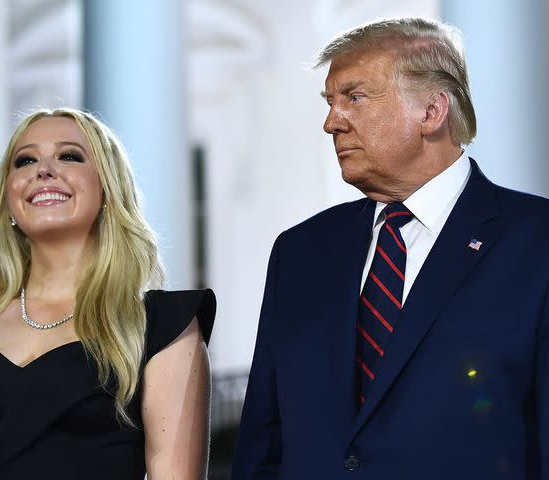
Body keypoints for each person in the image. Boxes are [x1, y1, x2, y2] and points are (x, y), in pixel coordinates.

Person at [232, 17, 547, 478]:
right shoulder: (298, 253)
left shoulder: (536, 242)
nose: (330, 122)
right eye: (330, 102)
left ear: (432, 111)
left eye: (354, 97)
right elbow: (263, 445)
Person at [0, 107, 215, 479]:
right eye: (25, 160)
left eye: (69, 156)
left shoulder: (166, 326)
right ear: (8, 198)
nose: (43, 170)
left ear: (107, 190)